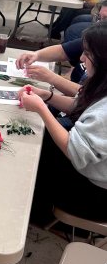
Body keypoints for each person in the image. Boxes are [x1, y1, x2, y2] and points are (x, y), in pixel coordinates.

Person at [19, 22, 107, 225]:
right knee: (43, 134)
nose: (82, 59)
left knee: (38, 146)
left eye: (88, 54)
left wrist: (41, 108)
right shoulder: (102, 85)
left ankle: (38, 215)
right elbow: (82, 107)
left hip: (96, 196)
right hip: (93, 178)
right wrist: (47, 96)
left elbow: (75, 152)